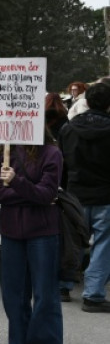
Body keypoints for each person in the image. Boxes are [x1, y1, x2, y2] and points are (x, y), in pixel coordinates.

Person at [0, 136, 63, 344]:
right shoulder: (4, 152)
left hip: (42, 232)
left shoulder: (51, 153)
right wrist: (30, 194)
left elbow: (46, 194)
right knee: (14, 295)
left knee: (45, 295)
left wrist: (17, 182)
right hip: (12, 232)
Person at [59, 81, 110, 312]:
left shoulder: (68, 129)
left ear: (86, 102)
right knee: (103, 245)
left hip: (75, 194)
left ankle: (63, 285)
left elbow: (61, 164)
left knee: (72, 242)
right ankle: (94, 295)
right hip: (105, 196)